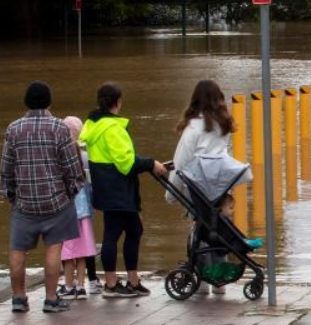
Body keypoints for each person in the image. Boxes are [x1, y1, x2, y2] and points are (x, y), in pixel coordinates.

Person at [0, 81, 84, 314]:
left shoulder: (13, 129)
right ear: (49, 101)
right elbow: (71, 167)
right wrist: (71, 191)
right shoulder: (59, 128)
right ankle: (50, 299)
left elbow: (6, 167)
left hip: (24, 202)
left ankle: (18, 298)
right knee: (53, 250)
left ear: (26, 101)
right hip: (56, 200)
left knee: (18, 250)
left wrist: (10, 195)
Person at [80, 82, 167, 298]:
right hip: (118, 189)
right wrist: (150, 163)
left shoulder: (93, 126)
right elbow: (126, 163)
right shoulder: (113, 128)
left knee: (132, 230)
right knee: (114, 234)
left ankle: (131, 280)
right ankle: (111, 284)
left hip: (106, 187)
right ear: (118, 102)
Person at [169, 80, 236, 293]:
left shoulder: (193, 128)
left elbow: (180, 162)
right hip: (221, 184)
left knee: (200, 229)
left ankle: (203, 281)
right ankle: (221, 281)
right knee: (219, 227)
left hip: (198, 186)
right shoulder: (224, 125)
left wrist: (171, 192)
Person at [56, 116, 97, 300]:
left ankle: (68, 285)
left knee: (66, 251)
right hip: (84, 210)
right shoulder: (86, 155)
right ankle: (81, 286)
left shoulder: (60, 154)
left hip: (66, 209)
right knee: (82, 250)